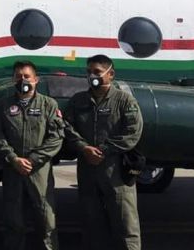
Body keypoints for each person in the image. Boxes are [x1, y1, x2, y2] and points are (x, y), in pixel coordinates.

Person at [63, 54, 144, 250]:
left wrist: (103, 151)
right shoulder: (78, 100)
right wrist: (83, 148)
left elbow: (133, 133)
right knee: (92, 225)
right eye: (89, 72)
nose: (92, 76)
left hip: (116, 172)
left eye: (97, 72)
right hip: (88, 171)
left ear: (111, 74)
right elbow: (65, 126)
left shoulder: (125, 101)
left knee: (126, 226)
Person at [0, 61, 64, 250]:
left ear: (36, 80)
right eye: (18, 76)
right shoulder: (3, 105)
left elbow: (56, 137)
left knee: (46, 219)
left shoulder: (48, 104)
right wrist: (13, 158)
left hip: (38, 171)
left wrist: (33, 160)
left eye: (26, 76)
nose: (22, 80)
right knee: (13, 220)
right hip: (13, 169)